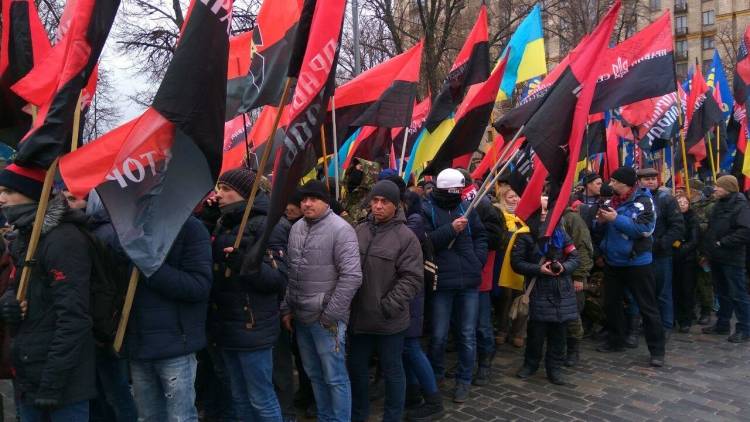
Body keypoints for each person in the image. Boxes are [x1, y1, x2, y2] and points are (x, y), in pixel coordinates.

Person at [0, 164, 96, 421]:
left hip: (62, 384)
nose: (1, 199)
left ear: (32, 193)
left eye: (8, 191)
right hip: (30, 372)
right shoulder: (26, 237)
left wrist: (53, 382)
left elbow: (74, 318)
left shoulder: (63, 240)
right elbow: (16, 286)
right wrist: (9, 302)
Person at [209, 167, 290, 422]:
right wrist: (208, 220)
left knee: (261, 399)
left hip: (252, 325)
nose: (219, 194)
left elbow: (278, 279)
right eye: (219, 188)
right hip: (227, 325)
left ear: (244, 194)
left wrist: (244, 263)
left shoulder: (266, 224)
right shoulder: (224, 222)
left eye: (226, 189)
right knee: (240, 398)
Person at [281, 180, 362, 422]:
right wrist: (287, 307)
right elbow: (291, 272)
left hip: (326, 320)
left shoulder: (341, 229)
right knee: (314, 374)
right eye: (303, 199)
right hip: (301, 315)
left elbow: (352, 276)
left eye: (313, 199)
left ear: (326, 201)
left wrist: (330, 314)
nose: (307, 203)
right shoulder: (296, 228)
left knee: (335, 377)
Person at [126, 215, 213, 421]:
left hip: (175, 344)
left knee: (180, 417)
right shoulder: (128, 228)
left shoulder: (191, 228)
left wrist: (150, 265)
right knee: (148, 417)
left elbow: (198, 286)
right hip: (138, 343)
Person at [349, 180, 423, 422]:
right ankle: (358, 414)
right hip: (358, 319)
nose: (378, 206)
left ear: (396, 205)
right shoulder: (359, 230)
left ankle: (392, 417)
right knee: (357, 371)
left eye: (385, 202)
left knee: (393, 371)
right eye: (375, 201)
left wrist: (388, 306)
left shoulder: (406, 237)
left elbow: (412, 278)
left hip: (389, 321)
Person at [421, 168, 487, 403]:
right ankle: (436, 375)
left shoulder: (466, 207)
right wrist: (451, 229)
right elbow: (425, 243)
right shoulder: (426, 208)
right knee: (438, 335)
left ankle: (464, 380)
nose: (461, 194)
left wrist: (477, 260)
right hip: (442, 281)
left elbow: (481, 235)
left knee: (467, 334)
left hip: (468, 281)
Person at [595, 166, 666, 367]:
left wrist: (616, 219)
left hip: (637, 262)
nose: (610, 184)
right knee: (611, 304)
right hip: (613, 261)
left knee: (647, 306)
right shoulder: (611, 201)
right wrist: (600, 222)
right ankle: (616, 340)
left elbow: (644, 229)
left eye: (614, 181)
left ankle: (657, 350)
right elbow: (603, 229)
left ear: (624, 183)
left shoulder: (644, 201)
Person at [512, 201, 580, 385]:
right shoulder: (525, 235)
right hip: (538, 290)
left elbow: (575, 258)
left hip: (561, 291)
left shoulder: (561, 233)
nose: (544, 213)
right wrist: (539, 269)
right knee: (536, 333)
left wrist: (563, 268)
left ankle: (554, 369)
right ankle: (530, 364)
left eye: (547, 209)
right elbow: (516, 263)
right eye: (541, 209)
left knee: (559, 334)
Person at [400, 190, 444, 422]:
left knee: (412, 349)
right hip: (411, 297)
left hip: (411, 298)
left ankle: (433, 400)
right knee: (407, 350)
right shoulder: (412, 222)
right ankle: (414, 394)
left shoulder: (413, 225)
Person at [702, 175, 750, 343]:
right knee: (722, 292)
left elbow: (745, 232)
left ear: (728, 188)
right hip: (717, 256)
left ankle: (744, 328)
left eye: (718, 186)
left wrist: (723, 242)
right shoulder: (719, 205)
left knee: (738, 294)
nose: (715, 189)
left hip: (732, 257)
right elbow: (712, 229)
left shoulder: (741, 206)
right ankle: (722, 324)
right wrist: (709, 251)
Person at [636, 168, 684, 335]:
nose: (650, 181)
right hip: (642, 253)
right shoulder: (637, 199)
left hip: (660, 253)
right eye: (646, 179)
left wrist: (662, 244)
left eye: (653, 179)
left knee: (663, 292)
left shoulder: (666, 199)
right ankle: (649, 323)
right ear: (639, 181)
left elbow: (677, 227)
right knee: (645, 292)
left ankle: (666, 325)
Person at [492, 185, 528, 348]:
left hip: (522, 262)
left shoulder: (525, 216)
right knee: (505, 297)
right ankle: (502, 328)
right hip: (503, 263)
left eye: (516, 196)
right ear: (502, 199)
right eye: (510, 197)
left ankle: (519, 331)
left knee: (522, 298)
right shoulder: (498, 215)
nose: (514, 200)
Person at [561, 198, 593, 367]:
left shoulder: (572, 219)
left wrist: (579, 276)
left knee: (572, 314)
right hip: (552, 274)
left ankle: (573, 349)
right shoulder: (546, 216)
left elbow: (583, 247)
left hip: (571, 273)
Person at [673, 194, 700, 333]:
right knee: (674, 289)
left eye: (685, 202)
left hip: (688, 260)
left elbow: (694, 240)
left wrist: (682, 249)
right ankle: (674, 316)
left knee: (686, 290)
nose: (682, 204)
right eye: (679, 202)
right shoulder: (673, 218)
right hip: (674, 258)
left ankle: (686, 319)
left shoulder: (692, 219)